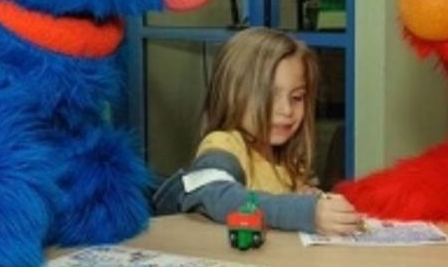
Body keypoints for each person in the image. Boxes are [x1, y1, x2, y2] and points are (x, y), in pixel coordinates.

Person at [153, 28, 363, 235]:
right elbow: (217, 197)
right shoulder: (223, 145)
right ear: (233, 96)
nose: (286, 110)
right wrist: (303, 212)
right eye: (269, 97)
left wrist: (306, 197)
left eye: (297, 97)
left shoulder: (287, 159)